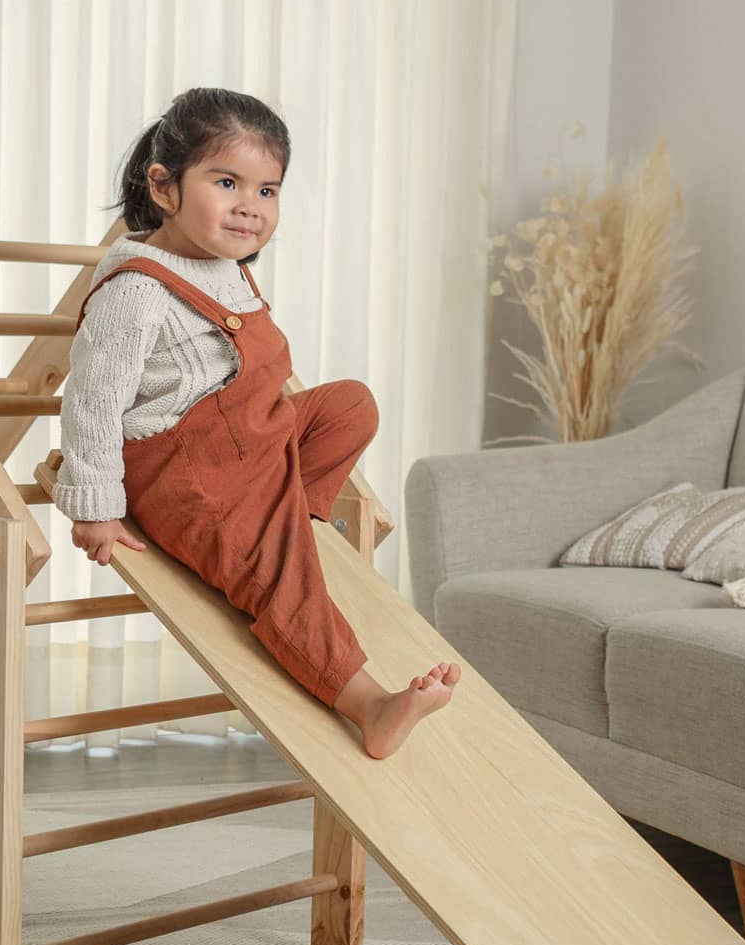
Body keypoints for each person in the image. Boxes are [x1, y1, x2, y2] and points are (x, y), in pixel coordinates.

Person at [53, 87, 461, 759]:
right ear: (164, 186)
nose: (250, 205)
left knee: (350, 405)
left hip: (254, 443)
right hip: (191, 475)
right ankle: (370, 705)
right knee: (281, 577)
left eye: (267, 190)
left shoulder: (226, 269)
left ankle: (286, 519)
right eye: (226, 183)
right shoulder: (136, 291)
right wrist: (95, 509)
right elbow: (92, 402)